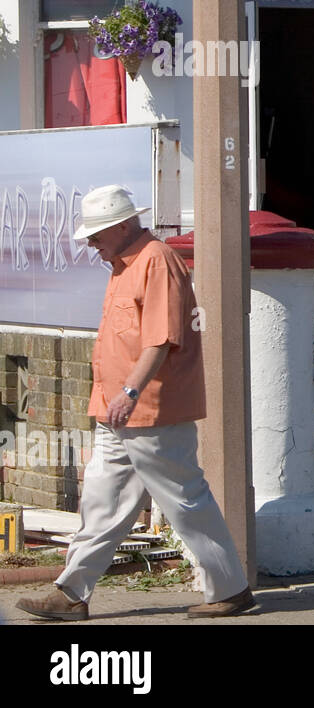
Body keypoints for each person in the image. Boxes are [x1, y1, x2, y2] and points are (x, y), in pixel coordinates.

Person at [17, 185, 254, 621]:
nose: (91, 242)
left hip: (149, 408)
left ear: (124, 225)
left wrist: (129, 392)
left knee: (183, 498)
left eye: (97, 233)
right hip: (119, 409)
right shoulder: (125, 263)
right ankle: (71, 593)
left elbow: (160, 339)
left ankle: (231, 588)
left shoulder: (155, 260)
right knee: (101, 501)